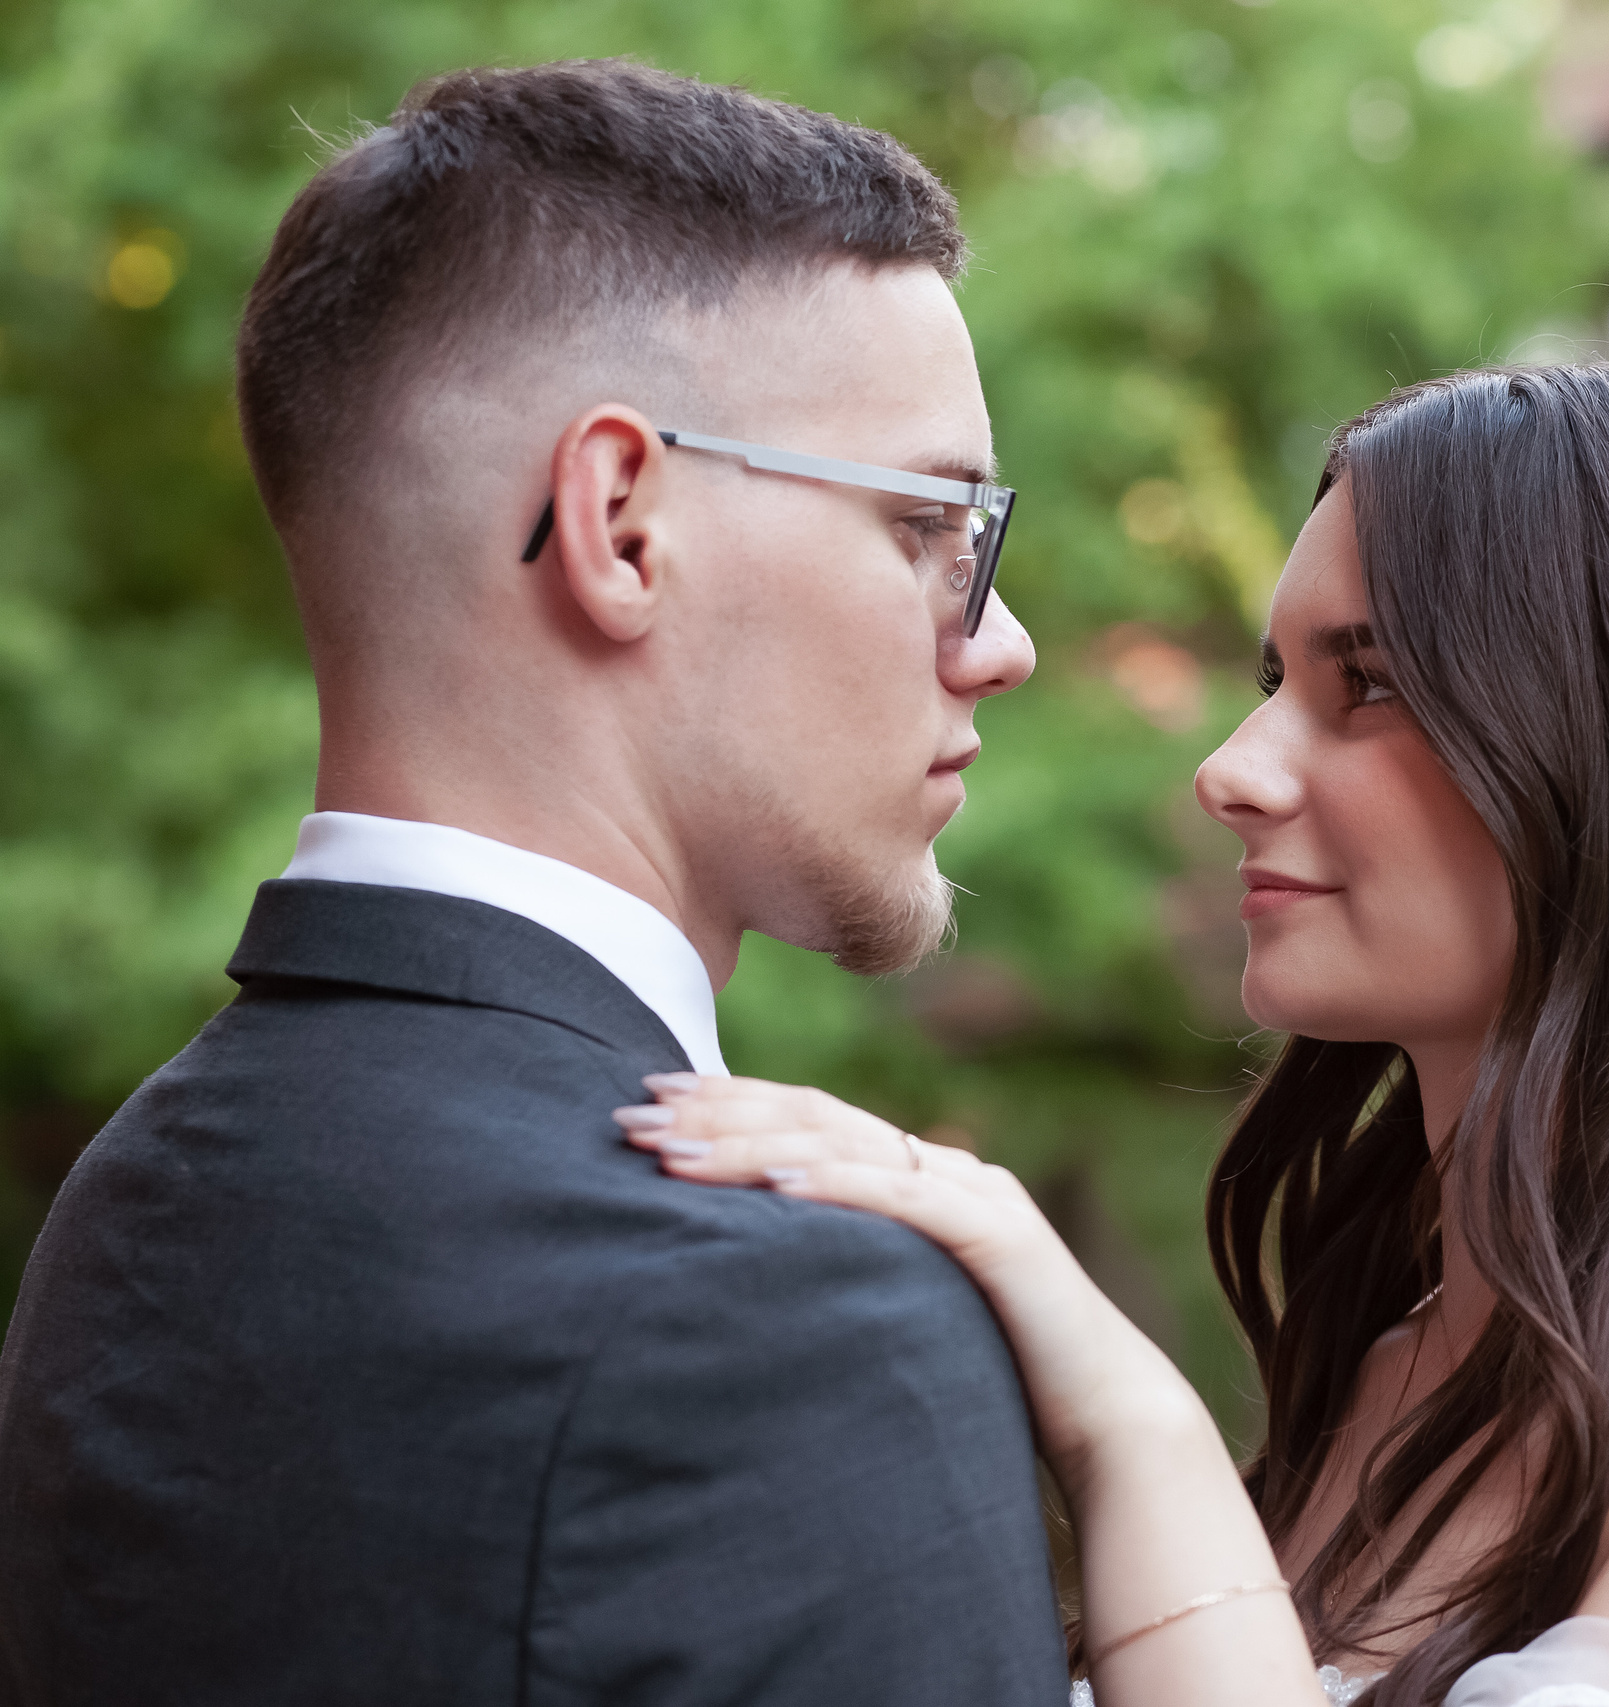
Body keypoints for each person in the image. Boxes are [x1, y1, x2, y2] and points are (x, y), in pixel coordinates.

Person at [620, 365, 1609, 1707]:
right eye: (1280, 683)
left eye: (1370, 684)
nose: (1233, 771)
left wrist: (1125, 1413)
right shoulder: (1394, 1365)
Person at [0, 60, 1064, 1705]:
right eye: (934, 526)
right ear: (623, 523)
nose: (998, 642)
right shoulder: (784, 1330)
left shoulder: (127, 1210)